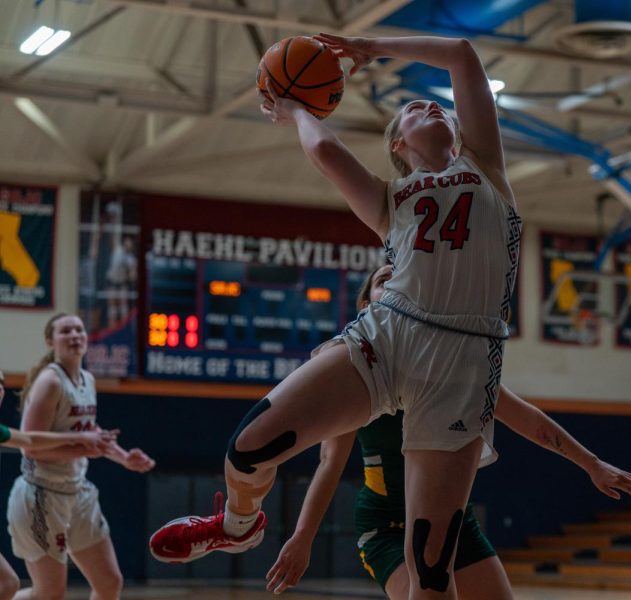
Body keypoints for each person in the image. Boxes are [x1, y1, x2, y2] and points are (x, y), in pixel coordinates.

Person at [151, 33, 526, 598]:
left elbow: (462, 55)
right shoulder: (389, 199)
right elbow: (325, 153)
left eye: (439, 106)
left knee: (429, 573)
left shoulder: (487, 169)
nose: (433, 106)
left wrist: (370, 45)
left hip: (463, 364)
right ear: (398, 143)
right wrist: (295, 109)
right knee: (248, 447)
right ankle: (238, 524)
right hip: (391, 334)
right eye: (415, 108)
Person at [263, 265, 631, 596]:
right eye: (384, 279)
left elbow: (528, 419)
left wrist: (592, 464)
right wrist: (303, 536)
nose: (395, 282)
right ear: (368, 305)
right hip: (387, 528)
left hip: (451, 519)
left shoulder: (454, 364)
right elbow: (330, 462)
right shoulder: (355, 373)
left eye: (404, 279)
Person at [8, 314, 155, 600]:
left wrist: (124, 457)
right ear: (51, 341)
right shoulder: (50, 382)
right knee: (49, 592)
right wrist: (82, 447)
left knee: (110, 583)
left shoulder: (87, 378)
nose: (75, 335)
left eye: (79, 330)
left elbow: (89, 433)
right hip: (41, 494)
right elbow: (30, 446)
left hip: (77, 491)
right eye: (66, 331)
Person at [0, 369, 117, 600]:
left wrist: (81, 439)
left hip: (66, 492)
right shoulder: (52, 381)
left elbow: (30, 439)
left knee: (8, 584)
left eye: (0, 383)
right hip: (40, 495)